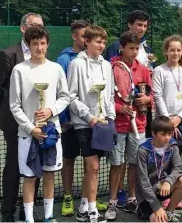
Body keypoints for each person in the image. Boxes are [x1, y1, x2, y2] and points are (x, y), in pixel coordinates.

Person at [9, 25, 70, 222]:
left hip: (52, 132)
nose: (39, 48)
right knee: (29, 177)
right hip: (28, 134)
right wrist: (31, 128)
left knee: (50, 176)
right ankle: (29, 219)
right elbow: (14, 105)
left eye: (42, 43)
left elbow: (65, 97)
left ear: (48, 44)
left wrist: (51, 110)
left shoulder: (56, 69)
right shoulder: (19, 70)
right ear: (29, 45)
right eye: (34, 44)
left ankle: (49, 216)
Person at [0, 12, 44, 222]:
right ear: (23, 29)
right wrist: (16, 111)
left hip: (38, 121)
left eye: (41, 26)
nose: (37, 29)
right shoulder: (8, 54)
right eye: (33, 26)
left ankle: (27, 208)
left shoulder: (41, 58)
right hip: (14, 124)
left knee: (35, 164)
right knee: (14, 165)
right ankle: (7, 212)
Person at [105, 10, 153, 208]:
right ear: (122, 48)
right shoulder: (111, 67)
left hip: (138, 124)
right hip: (117, 124)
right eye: (131, 48)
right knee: (117, 164)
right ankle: (113, 200)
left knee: (135, 163)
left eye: (137, 48)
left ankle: (132, 197)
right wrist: (119, 108)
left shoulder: (143, 68)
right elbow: (105, 98)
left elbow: (151, 95)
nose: (135, 52)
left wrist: (147, 99)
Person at [67, 25, 115, 223]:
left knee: (92, 169)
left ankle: (83, 209)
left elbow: (110, 94)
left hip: (103, 123)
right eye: (98, 42)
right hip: (84, 124)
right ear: (87, 41)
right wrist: (89, 117)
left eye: (104, 42)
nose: (102, 46)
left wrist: (109, 116)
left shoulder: (106, 65)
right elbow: (71, 97)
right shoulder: (76, 65)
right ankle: (94, 213)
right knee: (93, 166)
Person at [152, 34, 182, 209]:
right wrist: (168, 121)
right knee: (162, 159)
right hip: (163, 121)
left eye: (179, 50)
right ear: (166, 51)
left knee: (176, 157)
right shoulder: (159, 71)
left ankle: (174, 192)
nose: (176, 53)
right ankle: (162, 194)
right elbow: (157, 95)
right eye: (172, 50)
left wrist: (178, 118)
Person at [136, 116, 182, 222]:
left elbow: (179, 168)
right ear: (153, 134)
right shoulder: (143, 151)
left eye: (169, 134)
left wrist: (168, 182)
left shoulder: (172, 146)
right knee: (160, 221)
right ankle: (142, 209)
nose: (167, 138)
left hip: (162, 187)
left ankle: (169, 212)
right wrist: (157, 207)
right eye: (163, 134)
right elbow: (143, 183)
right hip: (146, 195)